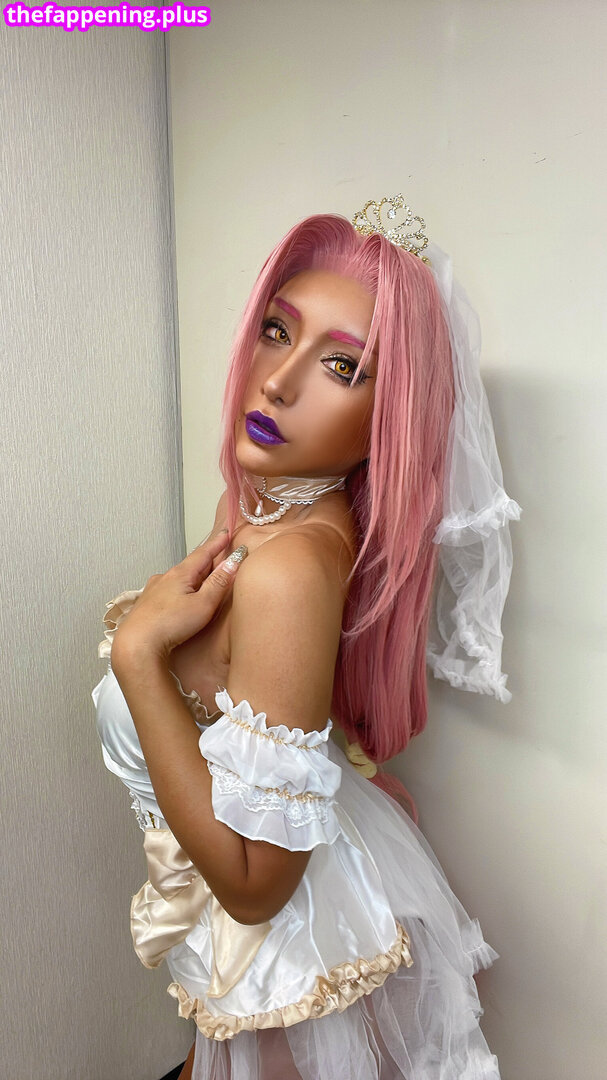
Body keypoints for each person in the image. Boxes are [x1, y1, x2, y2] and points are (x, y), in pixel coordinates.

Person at [92, 200, 521, 1079]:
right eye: (276, 331)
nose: (277, 383)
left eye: (341, 366)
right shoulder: (256, 509)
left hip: (287, 951)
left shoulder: (289, 568)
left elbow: (257, 888)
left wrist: (138, 657)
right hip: (253, 934)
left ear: (389, 413)